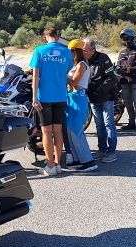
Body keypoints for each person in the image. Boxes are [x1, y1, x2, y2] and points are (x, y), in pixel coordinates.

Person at [29, 27, 72, 176]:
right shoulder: (67, 52)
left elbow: (35, 76)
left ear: (45, 38)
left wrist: (34, 97)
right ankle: (58, 163)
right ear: (58, 37)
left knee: (46, 132)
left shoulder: (39, 50)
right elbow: (67, 71)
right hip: (61, 96)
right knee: (58, 131)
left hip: (44, 97)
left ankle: (50, 165)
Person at [64, 40, 98, 172]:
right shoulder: (75, 65)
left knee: (77, 131)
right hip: (71, 98)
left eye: (72, 51)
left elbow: (73, 82)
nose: (70, 53)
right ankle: (78, 159)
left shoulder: (82, 65)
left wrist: (61, 73)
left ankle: (88, 161)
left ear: (78, 51)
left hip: (78, 98)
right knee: (70, 132)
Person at [83, 38, 118, 163]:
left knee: (109, 124)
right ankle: (102, 149)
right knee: (99, 125)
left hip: (106, 97)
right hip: (93, 98)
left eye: (85, 50)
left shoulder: (103, 58)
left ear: (92, 50)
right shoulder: (83, 61)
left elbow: (112, 78)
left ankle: (111, 152)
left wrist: (99, 90)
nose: (83, 52)